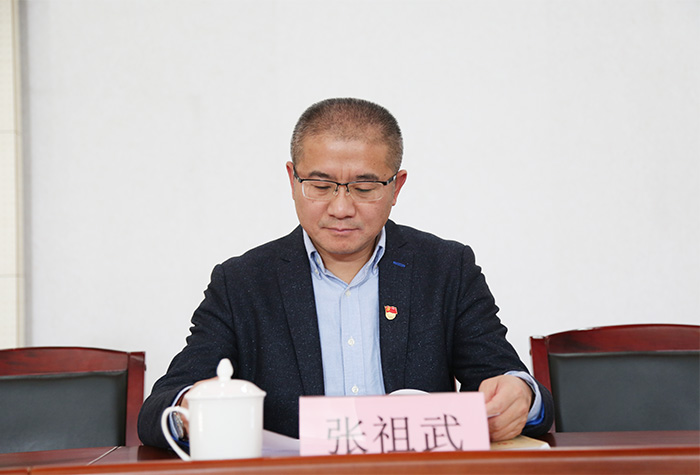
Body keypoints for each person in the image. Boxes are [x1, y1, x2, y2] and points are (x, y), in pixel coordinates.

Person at [137, 98, 554, 448]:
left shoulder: (445, 269)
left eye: (364, 188)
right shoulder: (243, 283)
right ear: (292, 179)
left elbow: (513, 385)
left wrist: (521, 396)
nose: (340, 208)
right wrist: (191, 408)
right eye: (320, 186)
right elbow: (159, 410)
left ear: (396, 187)